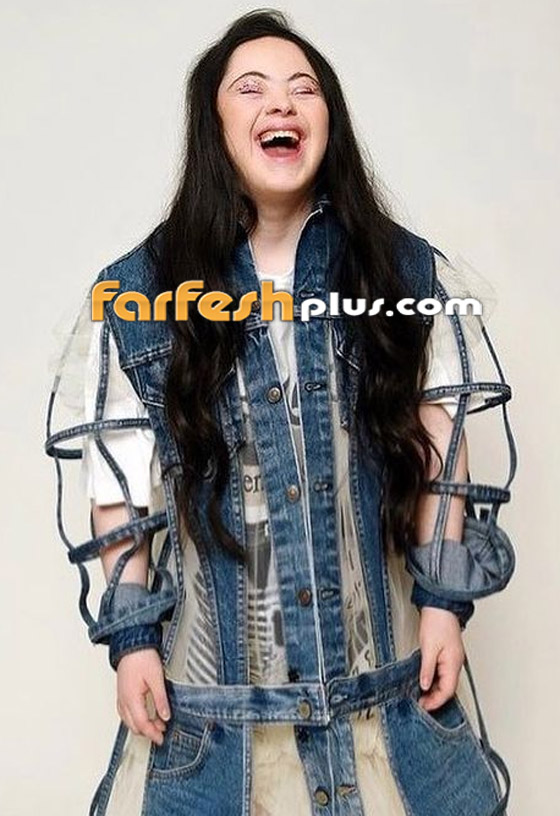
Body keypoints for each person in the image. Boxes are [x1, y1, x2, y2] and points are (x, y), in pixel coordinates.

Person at [44, 9, 517, 816]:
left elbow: (443, 439)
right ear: (215, 124)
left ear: (328, 118)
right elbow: (119, 485)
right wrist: (132, 642)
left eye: (304, 88)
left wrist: (443, 603)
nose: (281, 104)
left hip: (381, 701)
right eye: (252, 88)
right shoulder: (141, 292)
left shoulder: (400, 271)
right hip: (219, 724)